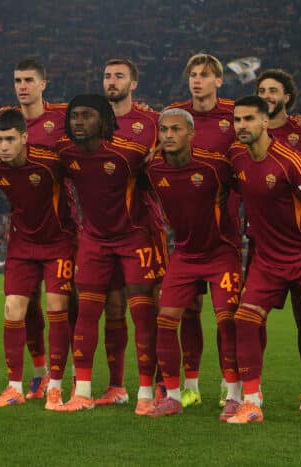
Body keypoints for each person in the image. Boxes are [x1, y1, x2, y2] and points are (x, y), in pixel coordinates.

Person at [226, 96, 301, 427]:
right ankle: (251, 402)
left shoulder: (292, 160)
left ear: (265, 122)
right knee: (245, 321)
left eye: (249, 119)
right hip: (268, 259)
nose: (242, 125)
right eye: (237, 120)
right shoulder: (236, 156)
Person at [54, 95, 162, 415]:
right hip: (94, 241)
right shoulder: (65, 153)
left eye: (87, 115)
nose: (78, 121)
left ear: (104, 120)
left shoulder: (129, 154)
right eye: (74, 115)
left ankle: (147, 392)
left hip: (134, 239)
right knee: (86, 313)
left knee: (143, 315)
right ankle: (83, 393)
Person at [145, 108, 241, 420]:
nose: (168, 135)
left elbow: (248, 188)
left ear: (191, 134)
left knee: (227, 321)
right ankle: (173, 396)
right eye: (164, 130)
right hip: (185, 254)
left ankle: (234, 394)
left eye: (176, 129)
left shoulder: (215, 165)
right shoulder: (152, 168)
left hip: (221, 252)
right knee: (165, 319)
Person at [0, 59, 68, 400]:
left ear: (43, 84)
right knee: (16, 309)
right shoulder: (0, 132)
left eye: (29, 80)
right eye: (17, 80)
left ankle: (59, 384)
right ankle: (20, 384)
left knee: (61, 307)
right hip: (21, 242)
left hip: (61, 239)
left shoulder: (61, 122)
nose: (22, 86)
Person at [166, 53, 237, 407]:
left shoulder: (234, 115)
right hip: (188, 236)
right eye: (193, 74)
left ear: (218, 81)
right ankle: (191, 386)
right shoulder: (176, 117)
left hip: (224, 234)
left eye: (205, 75)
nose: (197, 80)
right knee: (189, 311)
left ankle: (230, 385)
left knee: (228, 317)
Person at [97, 58, 167, 406]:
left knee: (148, 308)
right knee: (113, 309)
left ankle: (158, 385)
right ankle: (116, 387)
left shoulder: (152, 122)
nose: (112, 81)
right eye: (108, 76)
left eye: (119, 76)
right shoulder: (92, 121)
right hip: (103, 233)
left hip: (142, 229)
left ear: (133, 84)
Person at [256, 68, 301, 411]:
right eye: (261, 90)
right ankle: (251, 388)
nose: (266, 95)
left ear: (287, 97)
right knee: (252, 316)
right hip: (261, 241)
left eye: (273, 90)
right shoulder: (247, 132)